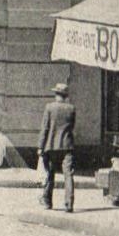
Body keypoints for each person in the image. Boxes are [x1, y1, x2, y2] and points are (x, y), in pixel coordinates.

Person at [37, 82, 76, 212]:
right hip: (67, 145)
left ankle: (47, 201)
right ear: (65, 96)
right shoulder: (71, 108)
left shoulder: (49, 108)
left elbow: (45, 128)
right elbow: (72, 127)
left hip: (51, 146)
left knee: (50, 174)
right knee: (68, 175)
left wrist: (40, 146)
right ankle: (69, 204)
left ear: (56, 94)